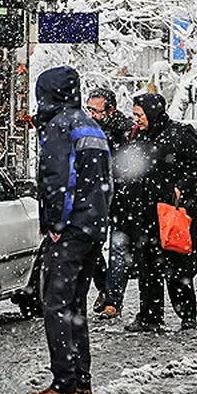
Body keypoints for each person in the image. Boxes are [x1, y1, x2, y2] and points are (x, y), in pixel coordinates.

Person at [24, 66, 112, 394]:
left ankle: (64, 382)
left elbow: (58, 179)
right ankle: (81, 379)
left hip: (71, 228)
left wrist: (56, 225)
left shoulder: (61, 126)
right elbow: (105, 181)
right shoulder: (91, 125)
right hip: (92, 227)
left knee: (56, 303)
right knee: (75, 305)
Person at [120, 92, 197, 332]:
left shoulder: (181, 133)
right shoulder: (138, 136)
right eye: (135, 114)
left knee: (178, 266)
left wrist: (181, 187)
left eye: (140, 114)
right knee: (148, 266)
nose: (137, 119)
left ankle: (187, 316)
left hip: (173, 212)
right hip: (145, 213)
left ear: (153, 112)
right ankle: (149, 316)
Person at [85, 88, 134, 319]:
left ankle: (113, 300)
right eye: (89, 109)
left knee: (118, 248)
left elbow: (129, 165)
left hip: (121, 198)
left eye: (97, 110)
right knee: (91, 246)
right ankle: (105, 287)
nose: (92, 114)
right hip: (97, 197)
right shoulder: (88, 129)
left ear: (110, 110)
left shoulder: (124, 132)